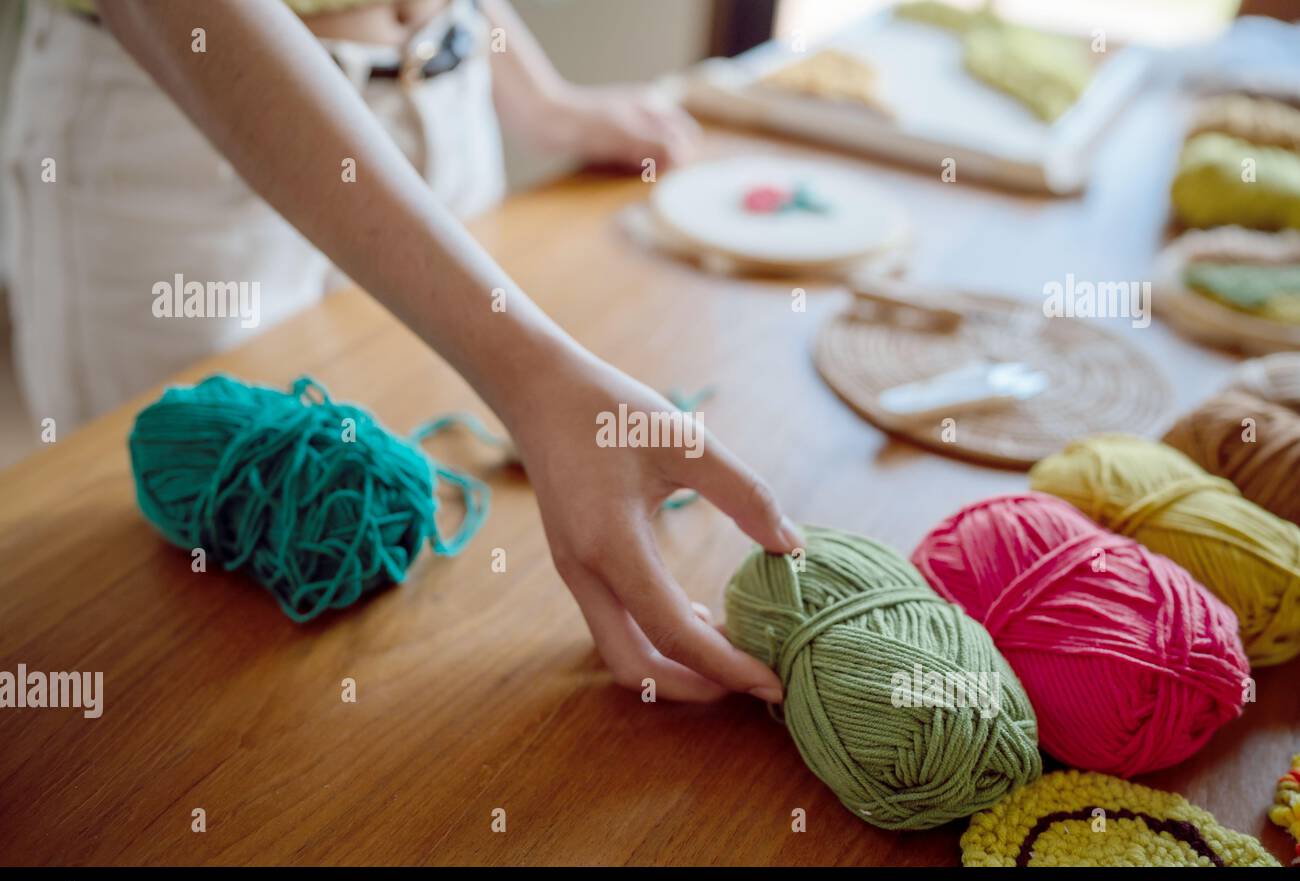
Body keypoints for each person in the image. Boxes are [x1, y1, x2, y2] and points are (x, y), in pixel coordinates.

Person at [3, 0, 799, 704]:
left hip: (442, 91)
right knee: (167, 640)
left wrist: (536, 96)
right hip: (180, 135)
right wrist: (531, 377)